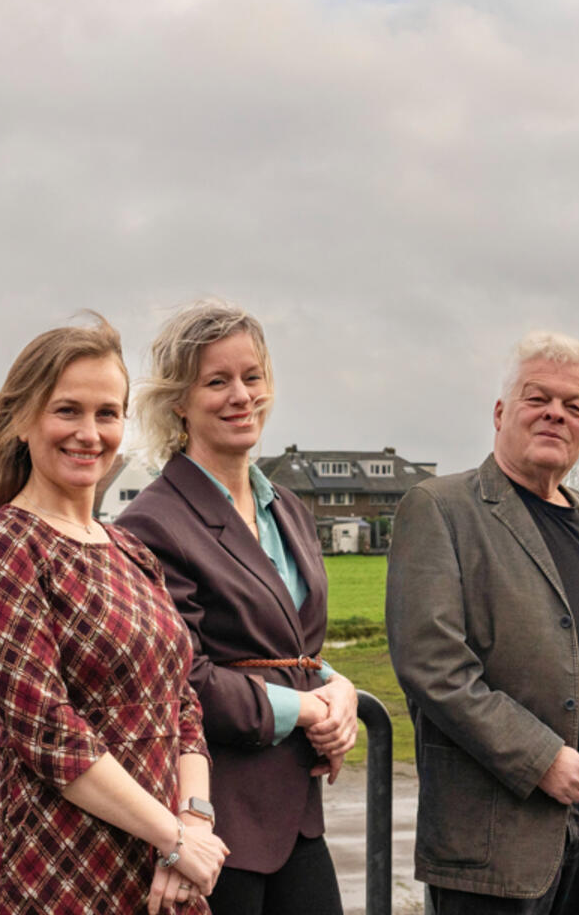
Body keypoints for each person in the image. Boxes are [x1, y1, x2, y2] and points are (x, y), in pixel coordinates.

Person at [0, 318, 226, 915]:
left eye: (108, 413)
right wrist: (174, 838)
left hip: (157, 869)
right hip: (51, 874)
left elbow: (182, 704)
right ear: (22, 420)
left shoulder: (131, 551)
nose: (89, 433)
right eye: (67, 410)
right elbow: (48, 729)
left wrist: (193, 823)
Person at [118, 300, 358, 915]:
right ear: (179, 400)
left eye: (251, 377)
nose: (240, 396)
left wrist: (339, 688)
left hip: (299, 819)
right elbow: (182, 678)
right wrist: (306, 709)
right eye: (216, 381)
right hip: (213, 824)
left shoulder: (289, 509)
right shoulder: (152, 523)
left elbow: (297, 645)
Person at [386, 331, 579, 915]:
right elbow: (434, 665)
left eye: (574, 406)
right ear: (501, 413)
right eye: (537, 397)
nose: (556, 413)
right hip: (496, 831)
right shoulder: (440, 509)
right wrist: (541, 758)